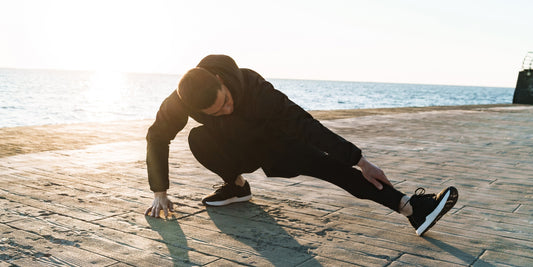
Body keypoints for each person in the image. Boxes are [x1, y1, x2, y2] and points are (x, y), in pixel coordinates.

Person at [144, 54, 458, 236]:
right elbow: (158, 136)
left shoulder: (253, 86)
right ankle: (236, 186)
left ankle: (412, 209)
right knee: (197, 139)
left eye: (226, 102)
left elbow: (304, 125)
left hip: (275, 143)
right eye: (216, 112)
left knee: (331, 167)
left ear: (221, 80)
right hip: (236, 146)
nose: (227, 109)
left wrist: (359, 159)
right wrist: (160, 190)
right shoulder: (181, 101)